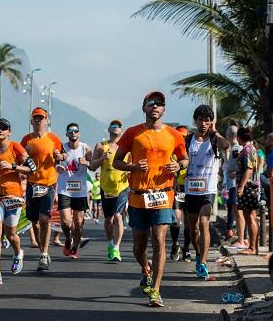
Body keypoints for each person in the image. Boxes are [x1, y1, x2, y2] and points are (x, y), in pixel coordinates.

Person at [113, 91, 188, 307]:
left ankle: (155, 290)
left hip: (163, 194)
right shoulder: (132, 133)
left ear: (164, 109)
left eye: (160, 103)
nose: (155, 106)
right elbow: (117, 162)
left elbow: (184, 159)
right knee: (139, 247)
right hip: (138, 197)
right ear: (144, 107)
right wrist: (133, 167)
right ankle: (146, 269)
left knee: (159, 239)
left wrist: (178, 165)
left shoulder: (174, 135)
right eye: (151, 103)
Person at [0, 118, 35, 285]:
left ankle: (18, 253)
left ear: (9, 132)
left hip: (12, 196)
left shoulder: (16, 147)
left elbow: (32, 169)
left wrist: (13, 167)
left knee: (11, 234)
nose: (0, 130)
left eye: (4, 128)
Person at [184, 105, 229, 279]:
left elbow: (226, 145)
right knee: (193, 230)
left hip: (208, 189)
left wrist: (215, 131)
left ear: (211, 122)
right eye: (201, 119)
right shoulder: (188, 140)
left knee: (204, 223)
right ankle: (198, 254)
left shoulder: (214, 139)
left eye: (207, 120)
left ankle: (202, 263)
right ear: (196, 120)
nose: (203, 123)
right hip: (191, 190)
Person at [21, 107, 66, 271]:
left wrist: (58, 156)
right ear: (31, 121)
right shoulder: (26, 140)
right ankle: (42, 250)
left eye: (41, 118)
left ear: (47, 121)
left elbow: (63, 155)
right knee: (34, 221)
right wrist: (24, 154)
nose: (39, 121)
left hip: (48, 183)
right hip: (32, 184)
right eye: (36, 118)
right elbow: (20, 160)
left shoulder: (53, 138)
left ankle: (44, 254)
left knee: (44, 219)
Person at [90, 119, 130, 262]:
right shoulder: (101, 146)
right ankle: (111, 243)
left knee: (118, 216)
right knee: (108, 219)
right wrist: (102, 158)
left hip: (122, 187)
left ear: (122, 130)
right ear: (108, 129)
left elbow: (132, 164)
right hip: (106, 187)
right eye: (113, 125)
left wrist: (130, 172)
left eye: (118, 126)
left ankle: (116, 248)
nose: (116, 127)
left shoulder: (126, 147)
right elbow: (92, 166)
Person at [56, 122, 93, 259]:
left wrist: (87, 163)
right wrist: (57, 167)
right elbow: (55, 162)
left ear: (79, 133)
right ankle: (67, 238)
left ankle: (75, 247)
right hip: (64, 189)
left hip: (80, 191)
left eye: (75, 131)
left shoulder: (85, 148)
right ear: (66, 134)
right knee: (66, 222)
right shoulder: (62, 148)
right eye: (70, 131)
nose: (73, 133)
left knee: (78, 222)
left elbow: (94, 165)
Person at [236, 127, 260, 255]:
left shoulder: (247, 150)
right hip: (249, 187)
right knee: (249, 216)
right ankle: (252, 246)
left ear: (240, 137)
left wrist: (241, 186)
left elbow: (249, 170)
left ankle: (252, 247)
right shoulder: (249, 149)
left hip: (249, 188)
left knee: (250, 217)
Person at [225, 126, 246, 248]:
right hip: (233, 183)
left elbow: (237, 165)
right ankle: (242, 238)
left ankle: (241, 239)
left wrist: (234, 172)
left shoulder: (236, 149)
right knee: (238, 212)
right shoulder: (233, 148)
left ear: (229, 135)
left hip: (234, 184)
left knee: (238, 212)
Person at [172, 125, 189, 261]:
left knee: (189, 222)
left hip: (191, 189)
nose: (181, 139)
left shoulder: (191, 151)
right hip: (177, 189)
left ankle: (186, 249)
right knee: (176, 221)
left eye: (184, 137)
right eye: (179, 136)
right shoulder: (171, 151)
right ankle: (175, 243)